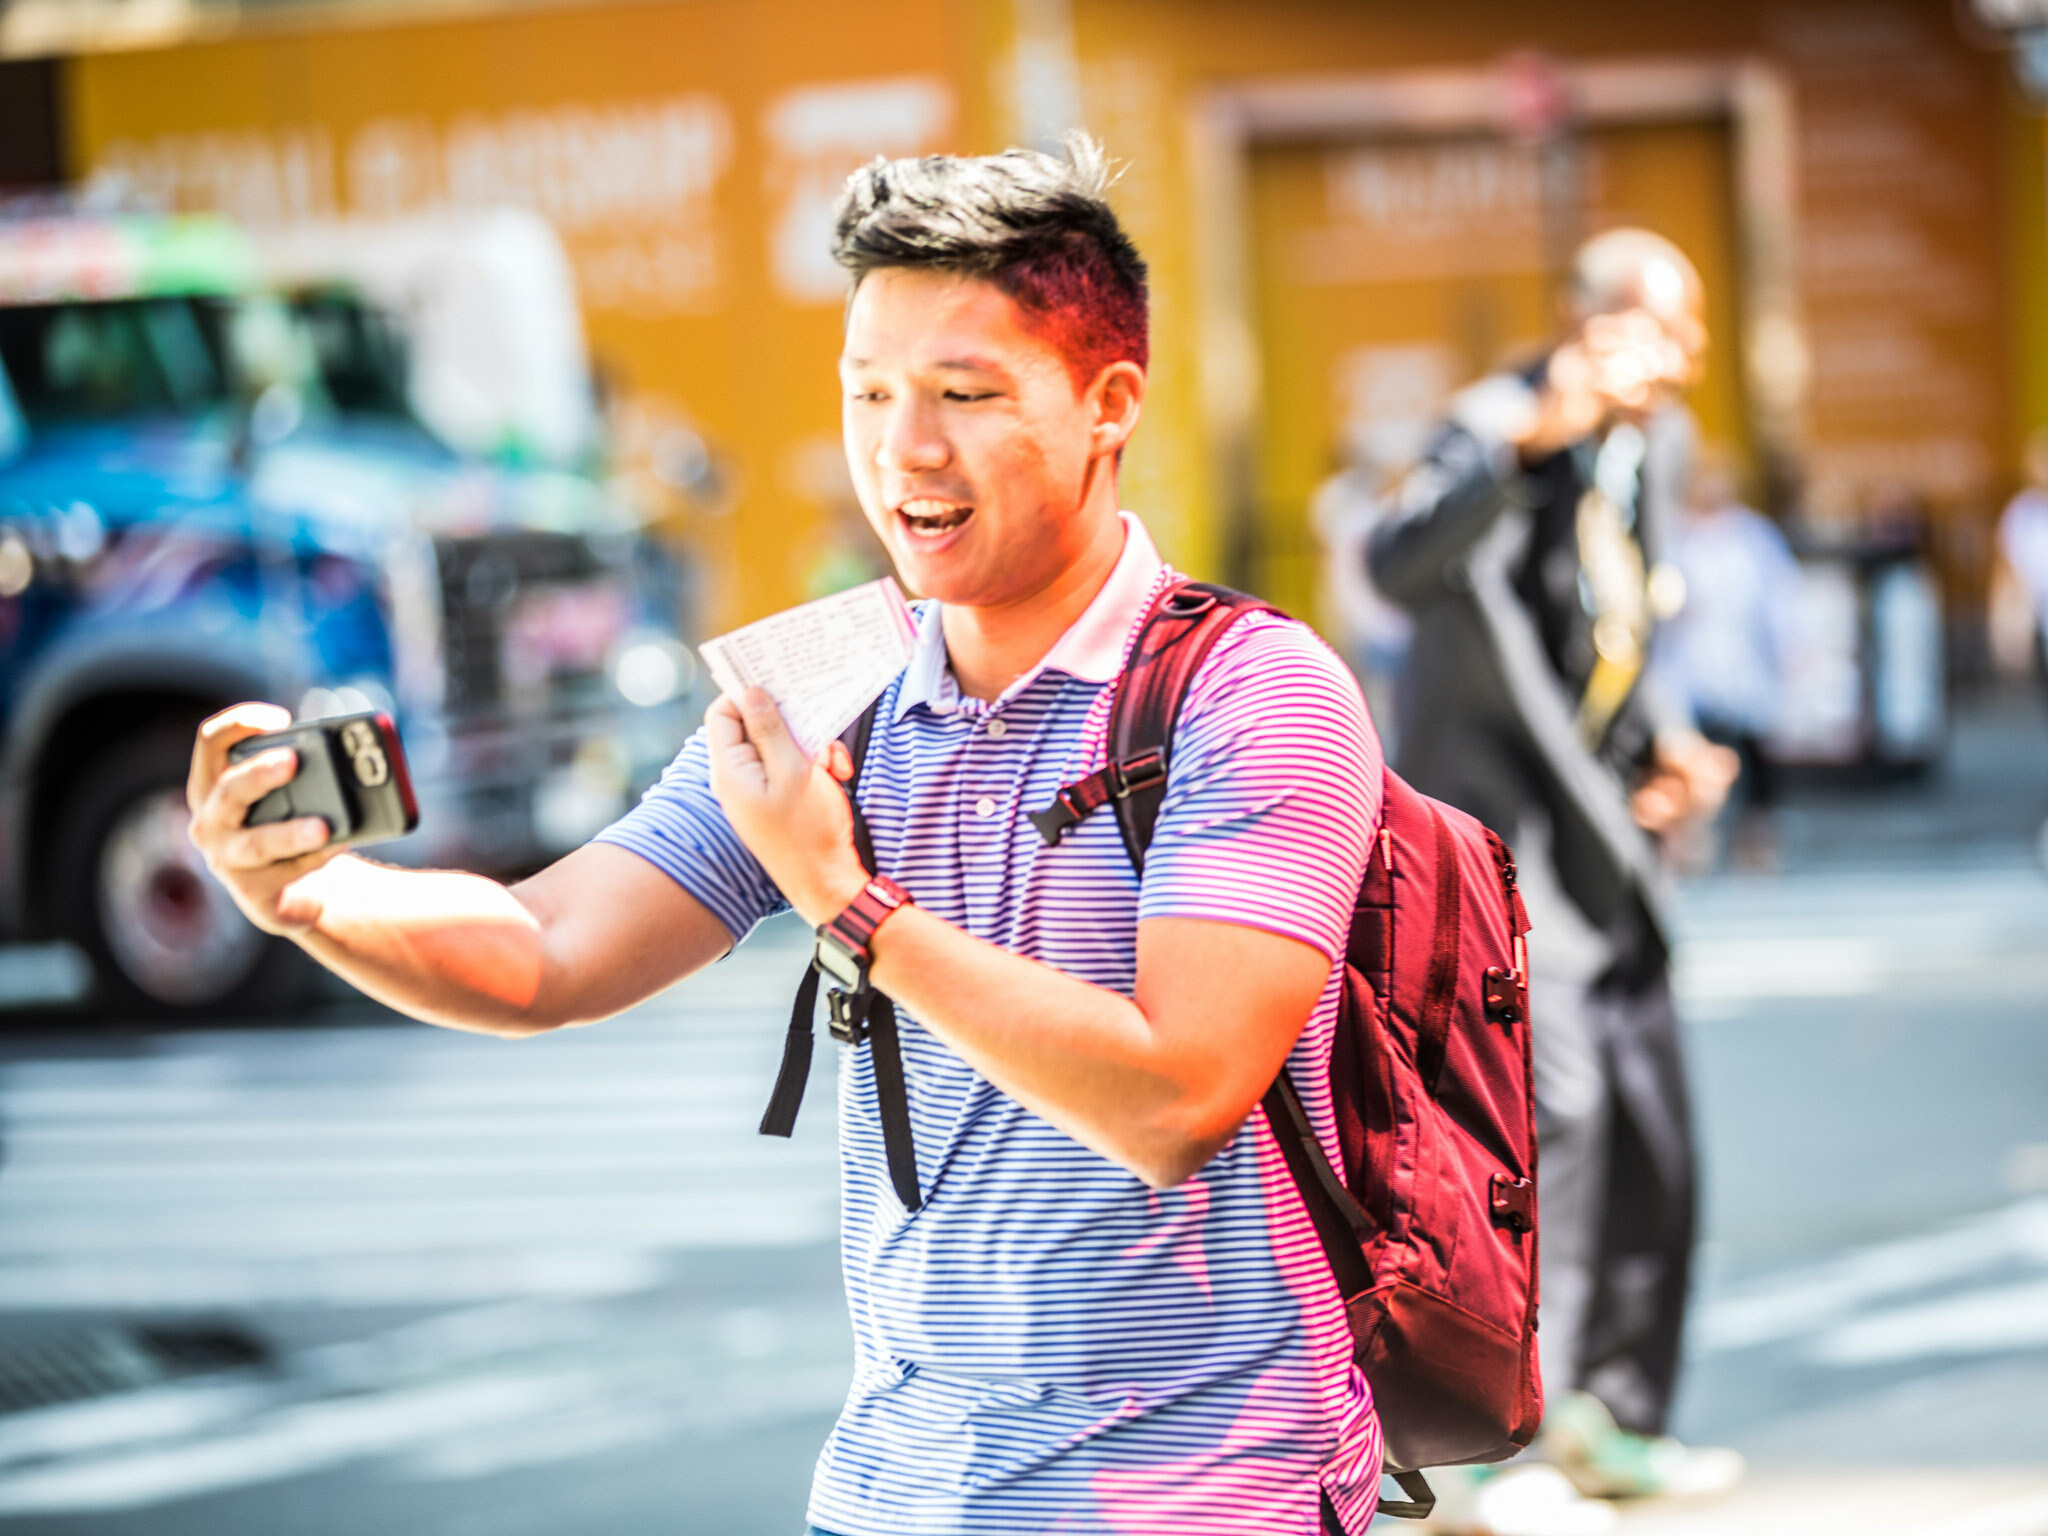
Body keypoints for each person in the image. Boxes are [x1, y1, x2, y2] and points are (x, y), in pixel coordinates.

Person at [186, 139, 1389, 1536]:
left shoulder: (1258, 691)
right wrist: (312, 898)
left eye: (965, 394)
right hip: (891, 1494)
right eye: (869, 392)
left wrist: (842, 895)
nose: (904, 449)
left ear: (1108, 403)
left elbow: (1177, 1098)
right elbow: (548, 949)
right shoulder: (828, 673)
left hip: (1199, 1498)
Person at [1368, 230, 1740, 1535]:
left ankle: (1615, 1418)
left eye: (1691, 329)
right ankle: (1493, 1452)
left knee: (1651, 1120)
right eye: (1656, 325)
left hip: (1605, 839)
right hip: (1498, 843)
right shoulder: (1496, 425)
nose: (1683, 355)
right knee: (1546, 1125)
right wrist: (1532, 438)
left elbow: (1615, 628)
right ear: (1586, 325)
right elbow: (1394, 565)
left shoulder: (1657, 444)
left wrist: (1667, 751)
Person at [1653, 452, 1802, 870]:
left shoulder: (1754, 536)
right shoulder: (1675, 534)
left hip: (1744, 664)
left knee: (1755, 755)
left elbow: (1780, 598)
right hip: (1689, 666)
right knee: (1694, 752)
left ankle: (1757, 837)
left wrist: (1790, 649)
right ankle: (1693, 839)